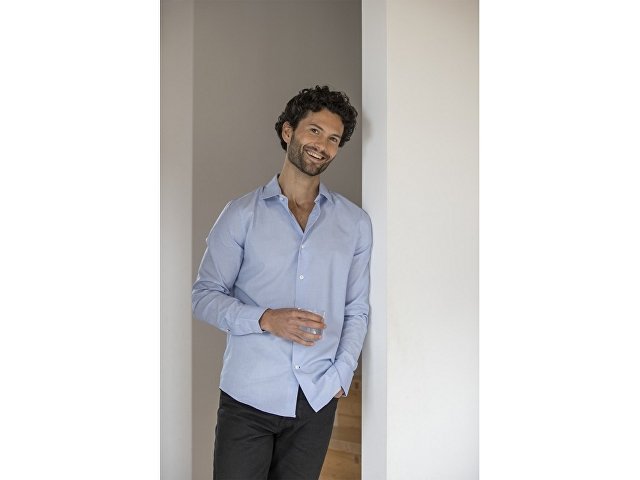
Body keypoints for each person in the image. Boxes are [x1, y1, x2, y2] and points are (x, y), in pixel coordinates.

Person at [192, 85, 372, 480]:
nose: (322, 145)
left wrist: (341, 375)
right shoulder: (240, 214)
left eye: (334, 139)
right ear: (288, 131)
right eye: (314, 131)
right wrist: (266, 319)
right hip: (248, 399)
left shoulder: (355, 224)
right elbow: (203, 296)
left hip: (317, 398)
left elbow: (357, 308)